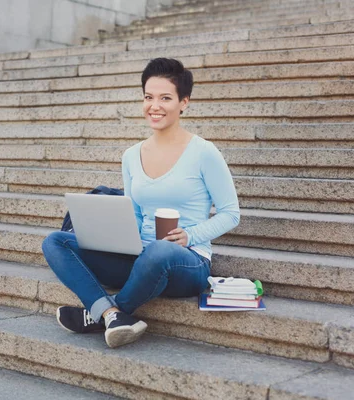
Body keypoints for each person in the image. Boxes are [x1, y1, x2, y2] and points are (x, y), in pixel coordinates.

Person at [42, 58, 240, 348]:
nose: (154, 106)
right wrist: (112, 237)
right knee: (55, 242)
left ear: (184, 103)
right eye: (148, 97)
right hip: (139, 258)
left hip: (187, 262)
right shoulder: (132, 155)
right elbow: (134, 213)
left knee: (161, 250)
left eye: (165, 98)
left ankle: (98, 314)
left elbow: (231, 213)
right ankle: (111, 315)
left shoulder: (204, 153)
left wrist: (190, 236)